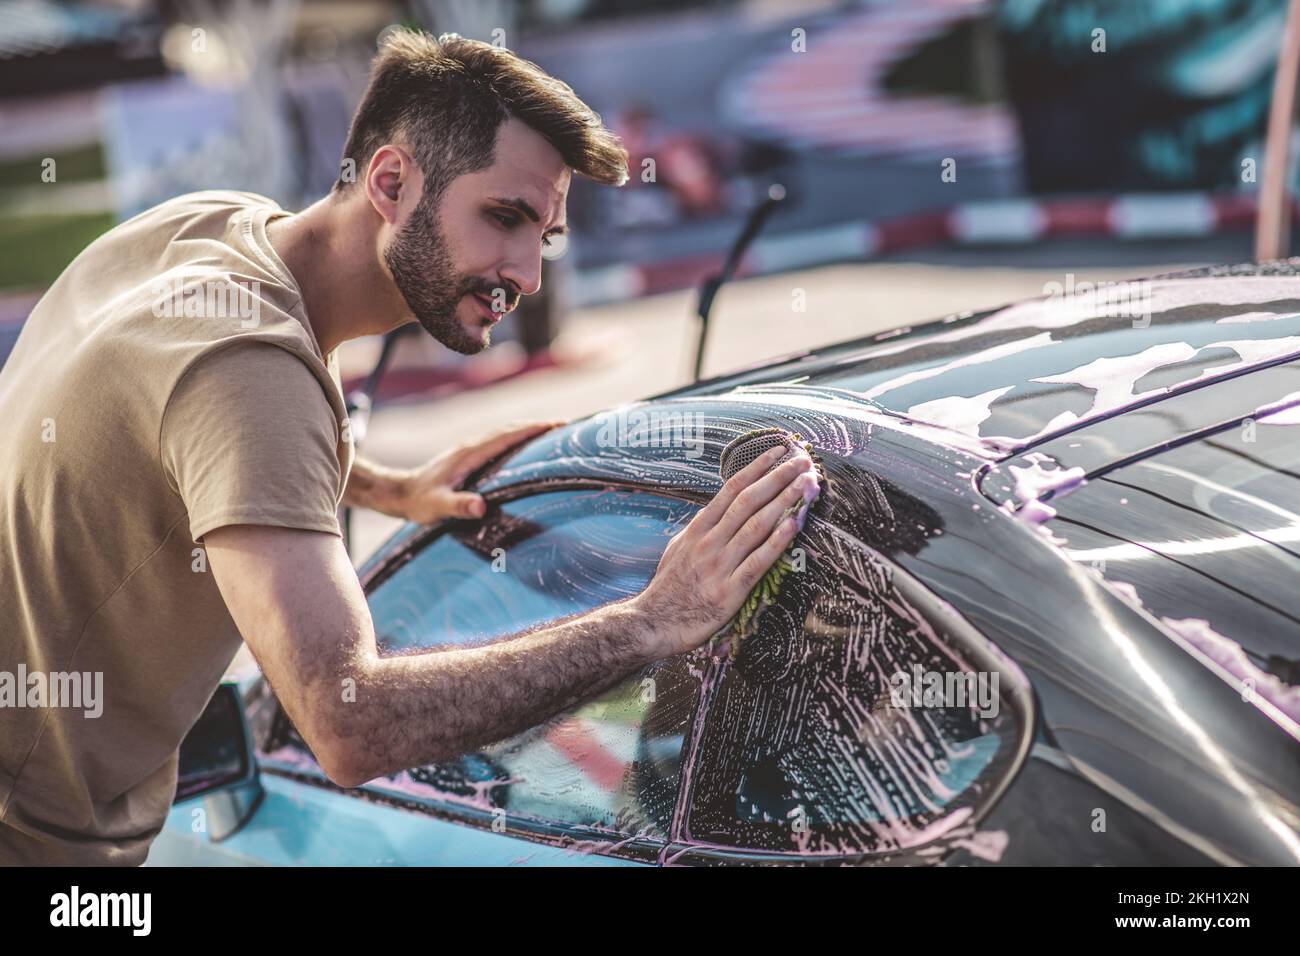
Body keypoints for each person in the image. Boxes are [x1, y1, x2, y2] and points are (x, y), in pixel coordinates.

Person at [0, 30, 818, 865]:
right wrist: (653, 621)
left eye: (546, 235)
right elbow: (347, 721)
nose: (528, 272)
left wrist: (389, 488)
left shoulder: (205, 230)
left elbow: (179, 431)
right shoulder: (250, 373)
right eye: (504, 217)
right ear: (390, 182)